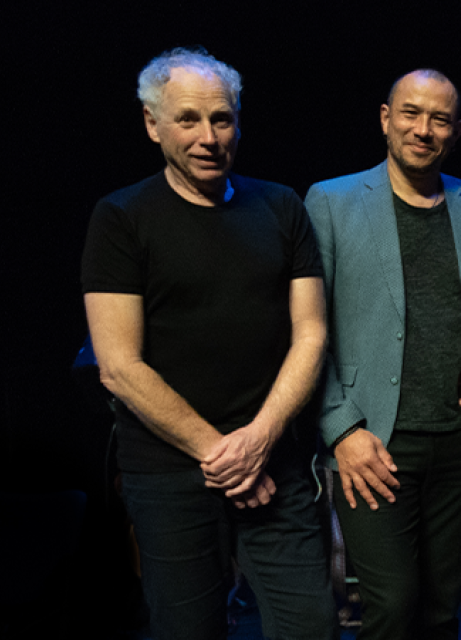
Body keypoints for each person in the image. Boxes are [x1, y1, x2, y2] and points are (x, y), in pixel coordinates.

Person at [81, 47, 335, 639]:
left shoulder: (280, 206)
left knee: (311, 626)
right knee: (188, 630)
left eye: (222, 119)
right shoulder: (121, 217)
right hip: (170, 471)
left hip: (273, 459)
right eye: (188, 119)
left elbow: (312, 332)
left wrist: (259, 440)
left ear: (238, 122)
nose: (208, 136)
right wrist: (222, 453)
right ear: (152, 124)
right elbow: (118, 366)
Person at [304, 69, 461, 639]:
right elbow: (306, 330)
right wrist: (340, 429)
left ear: (457, 131)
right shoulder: (332, 200)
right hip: (371, 440)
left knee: (442, 609)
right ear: (386, 119)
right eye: (411, 114)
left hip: (460, 438)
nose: (424, 129)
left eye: (439, 119)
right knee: (392, 605)